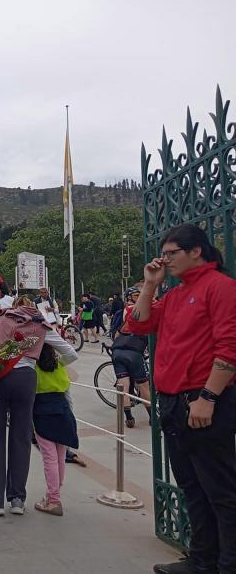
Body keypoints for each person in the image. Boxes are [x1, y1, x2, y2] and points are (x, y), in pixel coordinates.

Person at [124, 224, 236, 574]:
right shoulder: (174, 293)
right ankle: (202, 559)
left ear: (196, 251)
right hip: (172, 403)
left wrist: (208, 396)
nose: (165, 259)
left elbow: (229, 347)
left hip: (202, 402)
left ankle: (227, 563)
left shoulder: (220, 288)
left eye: (171, 253)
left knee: (219, 489)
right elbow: (139, 324)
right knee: (191, 485)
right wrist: (151, 285)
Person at [0, 296, 77, 517]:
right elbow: (71, 354)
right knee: (21, 437)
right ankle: (17, 499)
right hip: (26, 380)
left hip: (0, 379)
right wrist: (50, 365)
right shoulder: (40, 324)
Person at [32, 343, 79, 516]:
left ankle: (53, 499)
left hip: (42, 413)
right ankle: (53, 494)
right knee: (60, 456)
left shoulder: (34, 369)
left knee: (49, 458)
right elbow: (68, 395)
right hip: (63, 412)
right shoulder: (59, 367)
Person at [111, 286, 151, 428]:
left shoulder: (122, 311)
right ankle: (153, 417)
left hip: (118, 350)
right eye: (136, 295)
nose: (138, 296)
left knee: (123, 387)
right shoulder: (138, 308)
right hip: (134, 351)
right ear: (129, 297)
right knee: (144, 385)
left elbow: (115, 331)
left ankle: (128, 418)